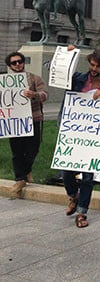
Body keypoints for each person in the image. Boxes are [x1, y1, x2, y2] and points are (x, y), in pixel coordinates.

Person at [60, 47, 100, 228]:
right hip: (73, 131)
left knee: (88, 176)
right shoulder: (77, 79)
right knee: (66, 171)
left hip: (94, 136)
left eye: (98, 67)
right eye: (92, 65)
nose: (94, 69)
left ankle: (82, 212)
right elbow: (60, 73)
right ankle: (73, 196)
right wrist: (68, 53)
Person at [5, 51, 49, 195]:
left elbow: (45, 94)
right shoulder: (5, 81)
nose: (17, 64)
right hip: (14, 121)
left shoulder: (34, 78)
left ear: (23, 62)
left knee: (33, 148)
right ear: (10, 65)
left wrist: (35, 95)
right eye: (14, 63)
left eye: (20, 61)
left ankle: (27, 170)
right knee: (17, 151)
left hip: (33, 118)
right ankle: (20, 179)